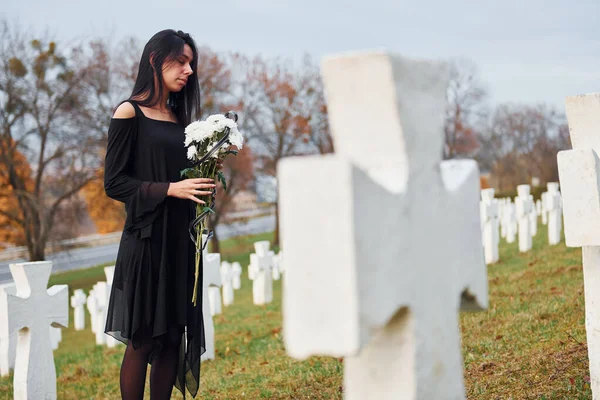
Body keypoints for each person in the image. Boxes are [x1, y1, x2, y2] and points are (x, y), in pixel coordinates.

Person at [103, 29, 219, 399]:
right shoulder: (129, 112)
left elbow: (181, 177)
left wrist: (204, 181)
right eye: (181, 61)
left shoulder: (180, 119)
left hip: (179, 240)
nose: (188, 70)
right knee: (142, 339)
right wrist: (170, 189)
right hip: (147, 239)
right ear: (155, 59)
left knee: (172, 337)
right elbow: (115, 183)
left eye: (191, 63)